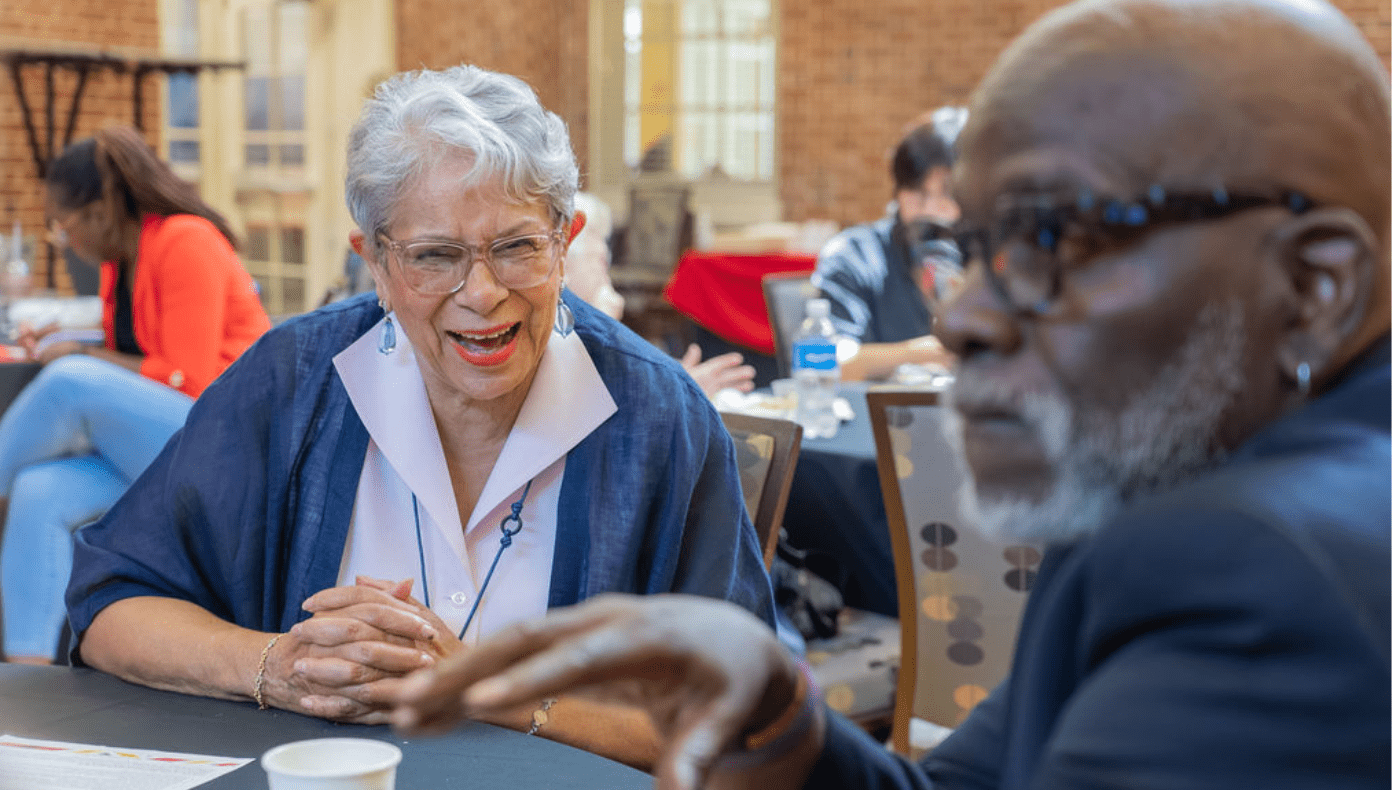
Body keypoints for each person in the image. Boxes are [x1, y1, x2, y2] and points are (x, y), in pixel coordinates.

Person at [387, 1, 1392, 788]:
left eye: (1053, 239)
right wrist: (774, 717)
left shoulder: (1259, 569)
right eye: (969, 247)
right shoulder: (1183, 503)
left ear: (1312, 286)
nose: (963, 317)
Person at [66, 65, 773, 770]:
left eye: (517, 247)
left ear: (566, 242)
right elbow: (110, 607)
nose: (483, 293)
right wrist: (280, 664)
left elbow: (744, 719)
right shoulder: (290, 384)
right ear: (371, 261)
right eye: (434, 256)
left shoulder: (658, 418)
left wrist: (482, 685)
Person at [0, 126, 270, 664]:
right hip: (170, 445)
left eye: (62, 224)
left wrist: (84, 357)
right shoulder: (121, 263)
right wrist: (77, 342)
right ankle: (28, 677)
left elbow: (188, 380)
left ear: (99, 211)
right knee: (40, 491)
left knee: (71, 380)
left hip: (232, 449)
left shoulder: (186, 241)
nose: (63, 238)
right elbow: (142, 351)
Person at [813, 108, 966, 382]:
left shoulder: (989, 259)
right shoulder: (852, 254)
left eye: (947, 194)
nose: (930, 209)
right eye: (917, 193)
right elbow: (818, 363)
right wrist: (920, 354)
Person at [565, 191, 756, 397]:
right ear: (563, 265)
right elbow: (596, 412)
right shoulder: (564, 339)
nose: (605, 276)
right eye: (599, 260)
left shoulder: (582, 330)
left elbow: (624, 391)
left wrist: (671, 384)